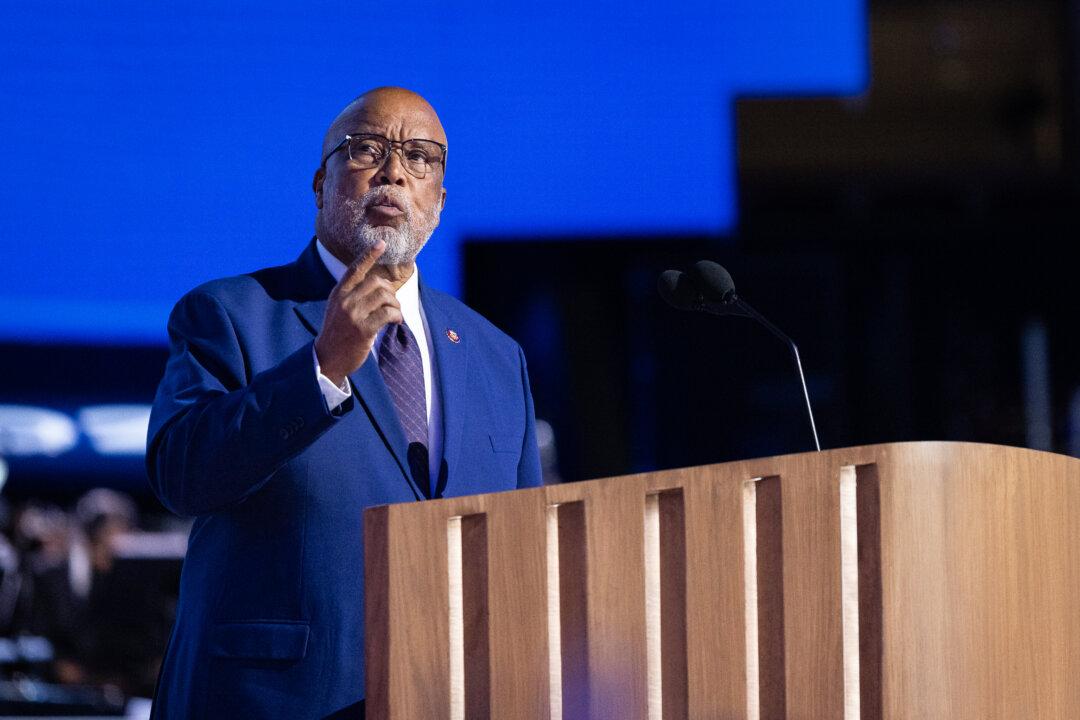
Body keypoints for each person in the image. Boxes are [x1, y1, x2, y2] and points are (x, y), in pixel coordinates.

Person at [146, 87, 543, 719]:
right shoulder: (229, 313)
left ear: (439, 199)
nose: (393, 172)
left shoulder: (497, 357)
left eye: (419, 157)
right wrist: (323, 365)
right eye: (367, 150)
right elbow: (181, 476)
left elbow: (521, 557)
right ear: (320, 183)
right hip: (274, 702)